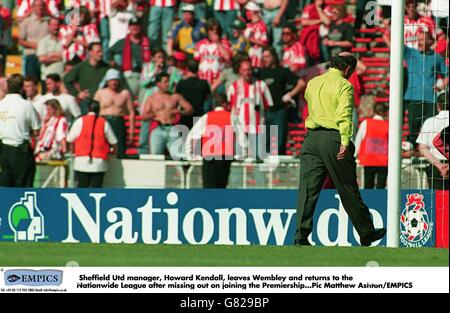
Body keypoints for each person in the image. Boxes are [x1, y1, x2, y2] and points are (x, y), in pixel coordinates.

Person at [294, 55, 386, 247]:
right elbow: (344, 114)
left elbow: (309, 104)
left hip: (311, 139)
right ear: (348, 70)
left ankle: (300, 237)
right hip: (333, 139)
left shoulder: (313, 82)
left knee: (308, 190)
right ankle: (366, 232)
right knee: (347, 187)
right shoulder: (344, 85)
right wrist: (345, 140)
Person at [259, 47, 305, 155]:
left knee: (279, 143)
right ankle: (266, 170)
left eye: (267, 56)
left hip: (279, 111)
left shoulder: (282, 71)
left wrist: (290, 94)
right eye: (263, 56)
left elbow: (301, 83)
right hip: (264, 112)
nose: (264, 59)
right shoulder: (260, 73)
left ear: (274, 58)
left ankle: (279, 170)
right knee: (264, 143)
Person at [227, 58, 273, 159]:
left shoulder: (261, 85)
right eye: (244, 70)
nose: (247, 72)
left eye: (249, 70)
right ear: (239, 71)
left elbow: (268, 106)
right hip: (239, 128)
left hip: (257, 127)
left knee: (257, 157)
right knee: (240, 158)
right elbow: (231, 107)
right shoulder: (233, 87)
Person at [185, 93, 234, 188]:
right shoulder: (231, 117)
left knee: (209, 187)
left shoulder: (206, 117)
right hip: (225, 157)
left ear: (214, 105)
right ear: (225, 104)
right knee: (221, 188)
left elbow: (191, 136)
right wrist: (242, 154)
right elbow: (241, 138)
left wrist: (190, 156)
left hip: (209, 157)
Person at [0, 74, 41, 187]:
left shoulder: (1, 104)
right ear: (22, 87)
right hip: (21, 152)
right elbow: (37, 130)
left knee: (4, 187)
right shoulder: (27, 105)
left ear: (7, 87)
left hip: (4, 151)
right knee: (23, 188)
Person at [66, 100, 118, 188]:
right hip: (99, 162)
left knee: (82, 189)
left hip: (81, 161)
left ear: (87, 109)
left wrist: (73, 151)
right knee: (96, 189)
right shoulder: (104, 122)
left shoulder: (80, 121)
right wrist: (113, 153)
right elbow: (114, 142)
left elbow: (69, 139)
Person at [142, 72, 193, 156]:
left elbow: (190, 109)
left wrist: (179, 111)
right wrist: (154, 114)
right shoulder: (151, 98)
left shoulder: (175, 96)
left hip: (172, 128)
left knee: (179, 156)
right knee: (155, 156)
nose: (168, 84)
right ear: (158, 84)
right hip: (158, 128)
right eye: (165, 82)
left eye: (168, 81)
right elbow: (144, 117)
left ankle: (180, 169)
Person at [94, 68, 135, 159]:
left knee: (120, 149)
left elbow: (131, 112)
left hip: (118, 122)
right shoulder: (100, 93)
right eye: (112, 80)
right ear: (107, 81)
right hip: (103, 121)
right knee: (102, 147)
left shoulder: (125, 93)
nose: (114, 82)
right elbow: (94, 110)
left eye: (116, 80)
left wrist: (131, 132)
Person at [64, 42, 110, 115]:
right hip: (87, 102)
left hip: (103, 102)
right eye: (98, 51)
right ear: (90, 52)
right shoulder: (81, 67)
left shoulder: (107, 68)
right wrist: (77, 94)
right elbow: (67, 80)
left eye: (101, 51)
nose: (101, 54)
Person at [417, 91, 449, 190]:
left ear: (438, 106)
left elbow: (422, 148)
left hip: (436, 167)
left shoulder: (429, 122)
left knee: (439, 202)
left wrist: (439, 165)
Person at [355, 103, 389, 189]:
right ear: (385, 112)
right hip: (383, 161)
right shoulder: (388, 125)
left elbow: (358, 139)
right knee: (381, 187)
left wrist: (354, 154)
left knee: (368, 186)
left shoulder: (366, 123)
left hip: (368, 160)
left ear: (373, 111)